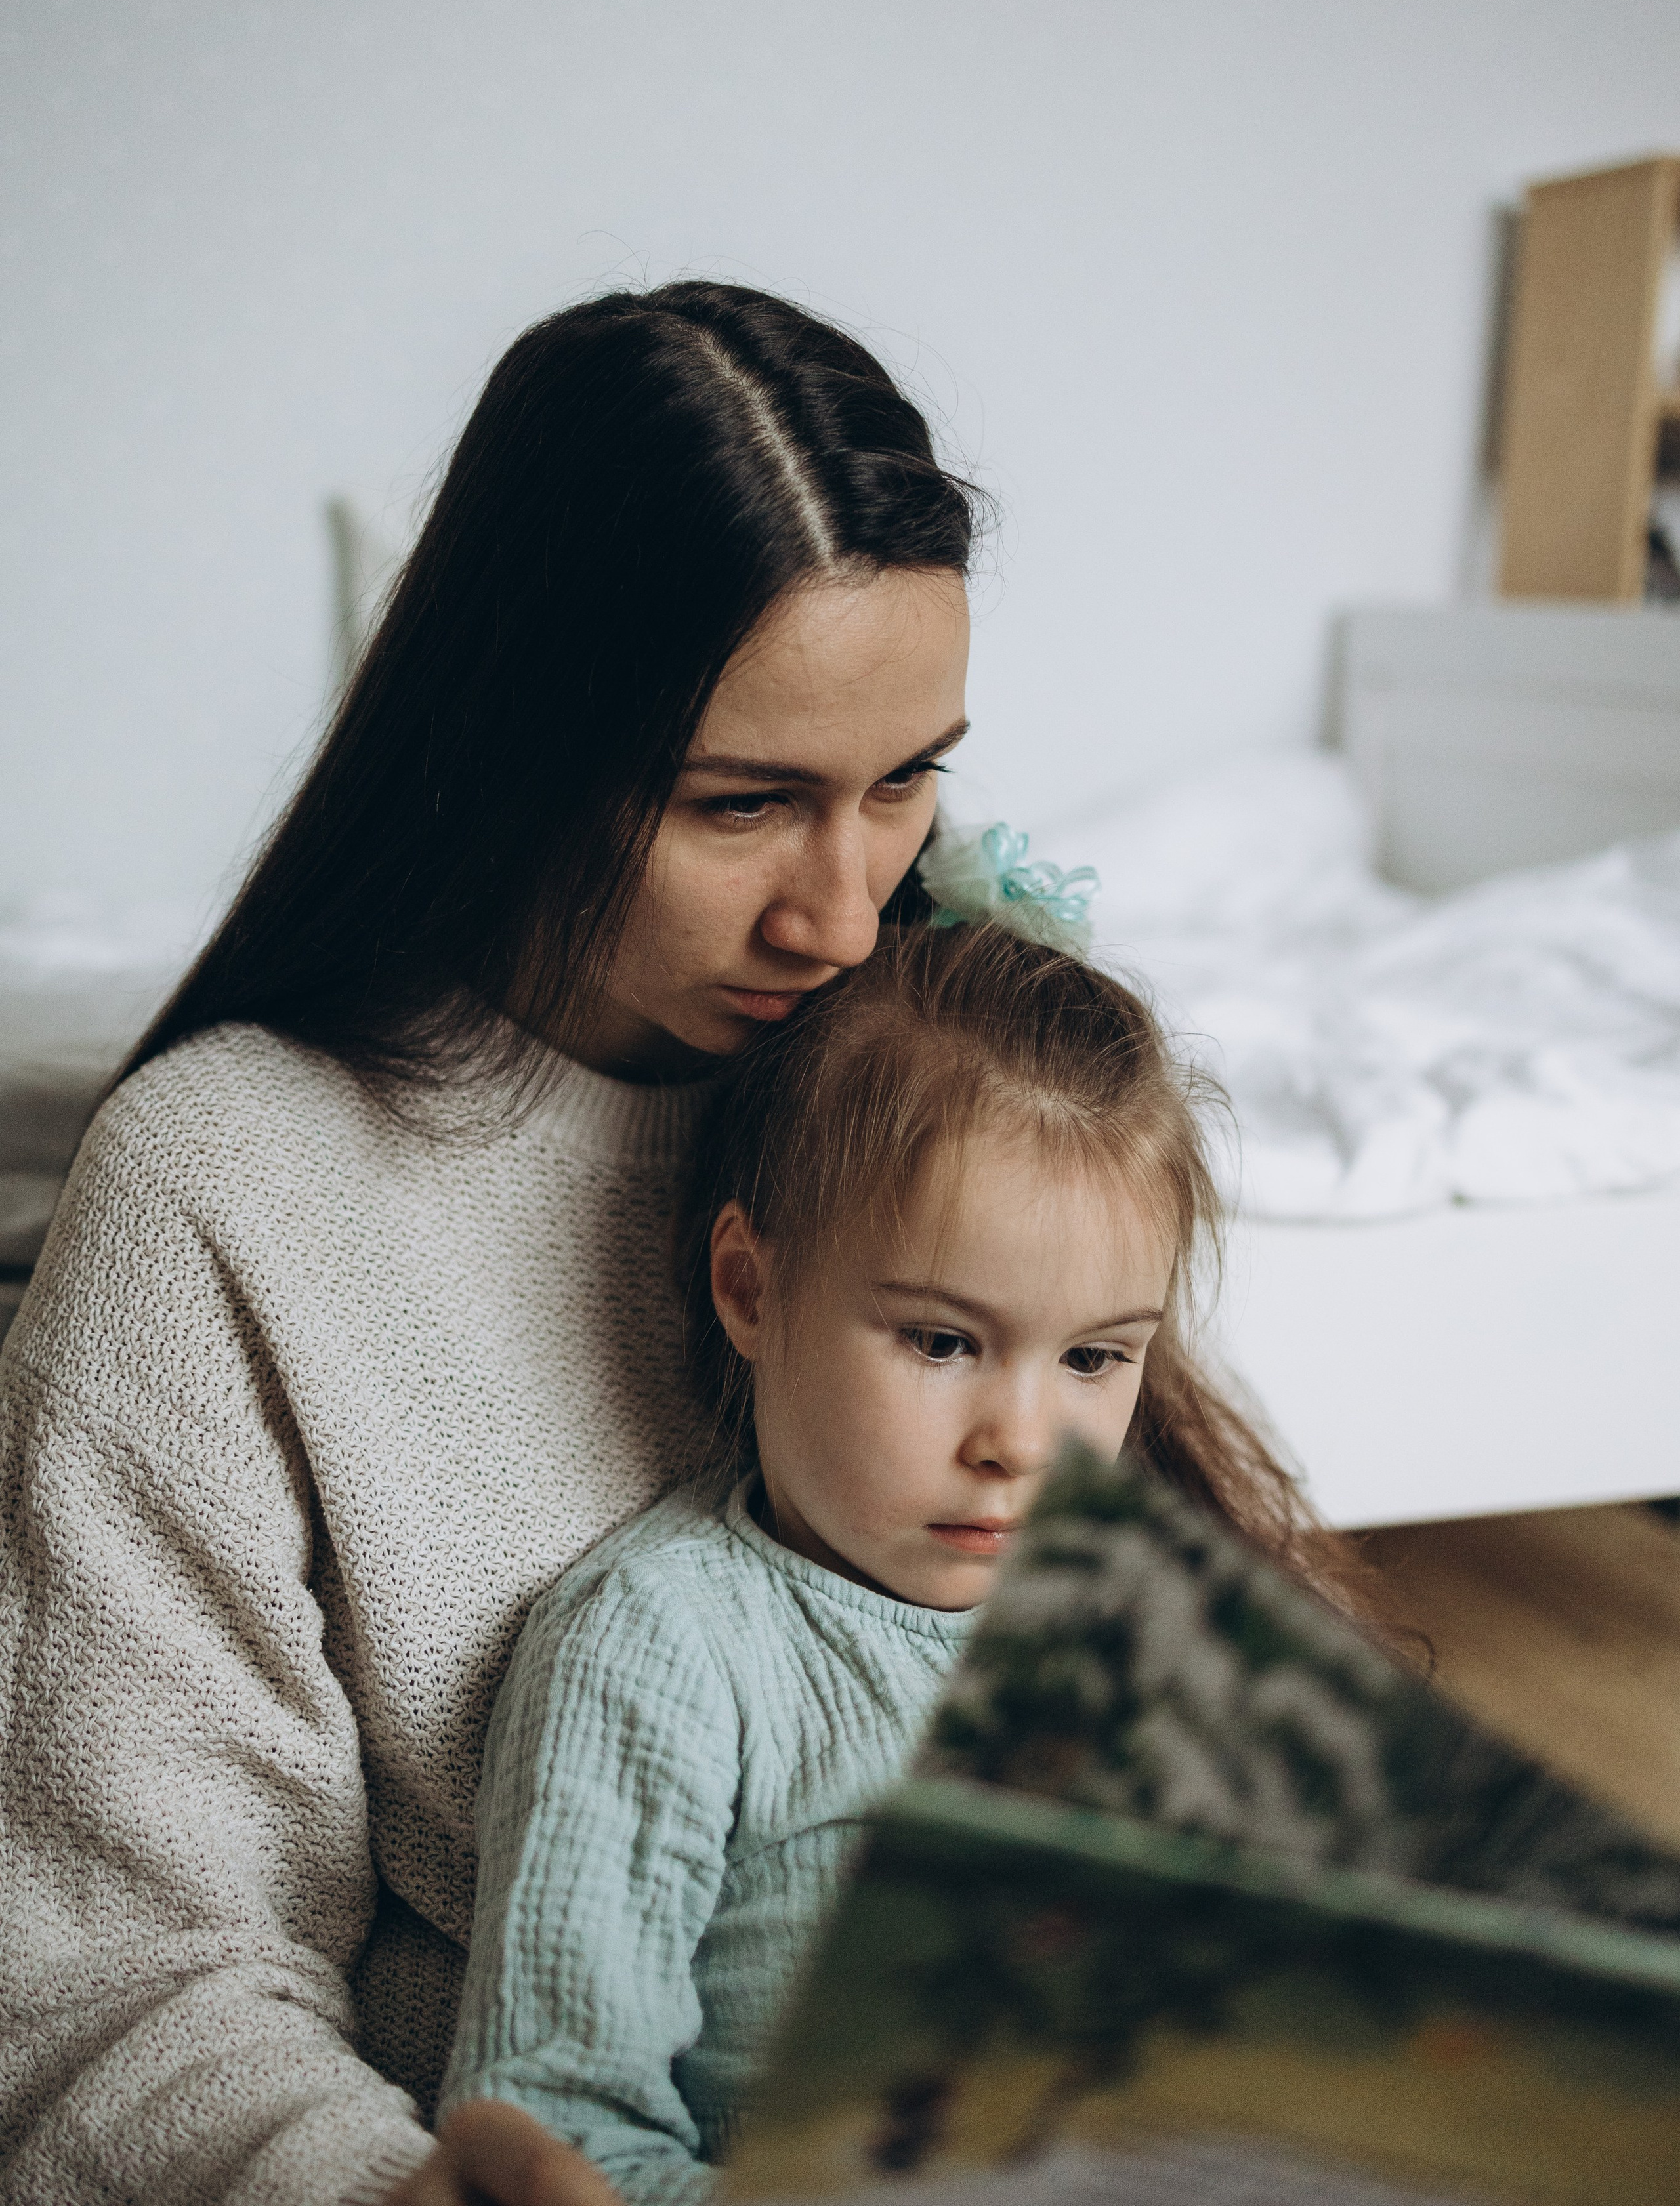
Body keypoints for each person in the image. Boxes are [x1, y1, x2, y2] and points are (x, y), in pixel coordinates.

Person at [0, 283, 975, 2206]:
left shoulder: (935, 1084)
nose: (847, 919)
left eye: (906, 781)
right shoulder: (223, 1193)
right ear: (511, 743)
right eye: (742, 806)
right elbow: (113, 1986)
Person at [438, 919, 1365, 2204]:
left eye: (1093, 1358)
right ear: (749, 1288)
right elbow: (555, 2130)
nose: (1019, 1445)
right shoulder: (663, 1645)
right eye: (940, 1342)